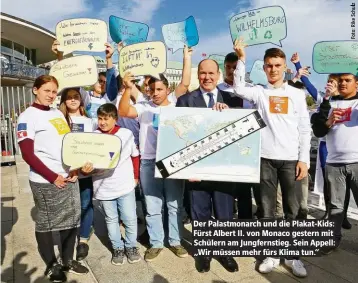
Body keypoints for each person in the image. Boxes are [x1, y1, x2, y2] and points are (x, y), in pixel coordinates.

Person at [233, 38, 311, 278]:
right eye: (269, 65)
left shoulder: (296, 94)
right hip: (265, 159)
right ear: (264, 67)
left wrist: (303, 159)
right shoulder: (259, 92)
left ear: (284, 66)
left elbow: (304, 129)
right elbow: (238, 87)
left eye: (278, 65)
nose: (273, 69)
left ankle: (292, 255)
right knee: (267, 211)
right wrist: (241, 58)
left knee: (292, 210)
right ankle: (271, 253)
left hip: (290, 161)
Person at [17, 75, 89, 283]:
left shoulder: (57, 113)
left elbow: (68, 145)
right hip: (45, 179)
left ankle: (67, 259)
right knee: (47, 224)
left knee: (72, 219)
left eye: (54, 92)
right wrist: (52, 176)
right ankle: (51, 264)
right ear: (35, 90)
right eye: (46, 90)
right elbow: (28, 155)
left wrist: (74, 169)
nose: (51, 95)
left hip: (68, 176)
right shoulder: (27, 117)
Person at [176, 58, 243, 273]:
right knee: (200, 213)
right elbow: (178, 138)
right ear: (198, 75)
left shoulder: (233, 100)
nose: (207, 77)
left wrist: (228, 116)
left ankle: (225, 252)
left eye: (211, 73)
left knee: (225, 214)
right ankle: (204, 253)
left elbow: (240, 135)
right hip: (197, 173)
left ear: (219, 75)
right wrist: (187, 170)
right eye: (203, 73)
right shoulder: (185, 101)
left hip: (223, 171)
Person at [118, 72, 188, 262]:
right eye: (152, 89)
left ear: (167, 90)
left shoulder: (175, 104)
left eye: (160, 89)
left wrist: (187, 56)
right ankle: (156, 243)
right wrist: (126, 88)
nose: (155, 93)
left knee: (174, 205)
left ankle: (175, 241)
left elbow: (185, 82)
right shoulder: (143, 108)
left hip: (172, 162)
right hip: (148, 162)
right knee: (152, 206)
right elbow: (123, 111)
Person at [291, 53, 352, 229]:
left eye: (334, 83)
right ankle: (329, 212)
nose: (330, 85)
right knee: (329, 182)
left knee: (346, 184)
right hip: (326, 147)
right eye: (329, 82)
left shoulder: (348, 101)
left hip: (345, 147)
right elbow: (308, 85)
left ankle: (344, 215)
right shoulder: (322, 98)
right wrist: (297, 64)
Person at [84, 103, 141, 265]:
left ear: (115, 119)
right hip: (104, 188)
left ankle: (131, 246)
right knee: (111, 219)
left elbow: (135, 156)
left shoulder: (126, 133)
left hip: (125, 186)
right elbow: (86, 162)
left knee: (130, 219)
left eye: (106, 118)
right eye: (100, 118)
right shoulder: (92, 137)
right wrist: (86, 169)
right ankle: (117, 248)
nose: (102, 122)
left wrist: (136, 177)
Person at [311, 73, 358, 254]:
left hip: (356, 161)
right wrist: (328, 121)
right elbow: (318, 131)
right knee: (335, 206)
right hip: (334, 163)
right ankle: (332, 240)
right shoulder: (329, 104)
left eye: (348, 80)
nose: (343, 83)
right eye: (341, 81)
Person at [59, 88, 95, 261]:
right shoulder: (58, 120)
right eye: (69, 98)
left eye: (76, 97)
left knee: (86, 205)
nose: (72, 100)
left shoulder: (90, 121)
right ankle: (67, 238)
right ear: (64, 101)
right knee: (68, 208)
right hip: (66, 173)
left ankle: (83, 240)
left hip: (85, 173)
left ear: (81, 100)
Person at [51, 40, 117, 120]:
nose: (102, 84)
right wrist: (60, 56)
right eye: (100, 81)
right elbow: (71, 80)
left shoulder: (108, 98)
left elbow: (112, 84)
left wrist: (109, 58)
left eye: (105, 82)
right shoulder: (86, 97)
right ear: (93, 81)